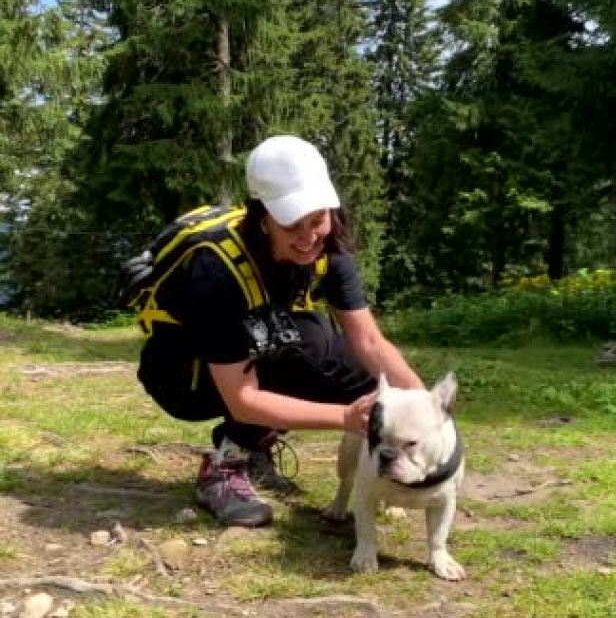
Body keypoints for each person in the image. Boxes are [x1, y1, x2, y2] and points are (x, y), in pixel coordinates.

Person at [136, 135, 424, 527]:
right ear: (263, 218)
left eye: (317, 220)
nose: (308, 238)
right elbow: (242, 398)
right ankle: (223, 468)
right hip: (184, 375)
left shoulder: (330, 246)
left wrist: (425, 405)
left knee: (350, 366)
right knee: (298, 341)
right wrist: (345, 417)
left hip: (255, 347)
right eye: (292, 224)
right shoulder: (216, 271)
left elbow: (369, 341)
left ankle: (253, 444)